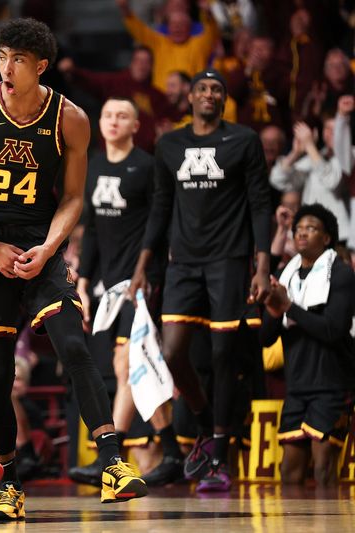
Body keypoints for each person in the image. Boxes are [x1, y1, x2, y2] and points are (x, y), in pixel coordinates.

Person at [0, 18, 147, 520]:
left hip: (42, 246)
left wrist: (51, 245)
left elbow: (75, 196)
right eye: (2, 57)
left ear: (41, 66)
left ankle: (111, 462)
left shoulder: (71, 119)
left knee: (74, 345)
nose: (6, 68)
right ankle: (10, 485)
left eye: (18, 59)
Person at [129, 69, 272, 492]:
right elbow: (159, 207)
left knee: (226, 353)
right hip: (183, 264)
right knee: (173, 353)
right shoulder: (170, 143)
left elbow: (260, 204)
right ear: (189, 98)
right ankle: (209, 430)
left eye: (217, 90)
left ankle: (220, 458)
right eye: (203, 88)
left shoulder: (243, 140)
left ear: (224, 100)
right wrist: (142, 264)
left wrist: (262, 266)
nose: (210, 94)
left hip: (229, 260)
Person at [70, 97, 183, 488]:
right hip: (109, 283)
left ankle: (111, 456)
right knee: (133, 366)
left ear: (137, 126)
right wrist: (83, 279)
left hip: (142, 280)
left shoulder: (147, 167)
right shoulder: (94, 164)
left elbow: (158, 225)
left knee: (127, 362)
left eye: (123, 116)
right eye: (108, 115)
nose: (114, 121)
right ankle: (169, 451)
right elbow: (94, 230)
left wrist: (145, 276)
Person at [261, 204, 354, 486]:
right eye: (298, 229)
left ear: (326, 238)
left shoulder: (340, 274)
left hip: (332, 385)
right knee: (289, 473)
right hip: (298, 387)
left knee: (324, 470)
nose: (302, 234)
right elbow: (264, 338)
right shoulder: (285, 275)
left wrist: (290, 306)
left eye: (311, 229)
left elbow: (332, 330)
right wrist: (275, 312)